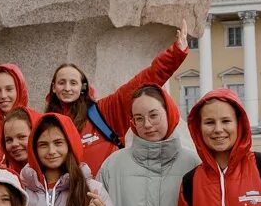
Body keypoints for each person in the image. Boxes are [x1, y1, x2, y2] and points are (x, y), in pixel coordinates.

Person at [43, 27, 189, 173]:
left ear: (83, 87)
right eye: (62, 83)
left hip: (105, 192)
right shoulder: (44, 122)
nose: (67, 88)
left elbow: (142, 81)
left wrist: (175, 55)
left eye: (73, 83)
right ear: (54, 87)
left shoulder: (102, 112)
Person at [0, 106, 34, 173]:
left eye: (21, 137)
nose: (14, 144)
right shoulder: (4, 175)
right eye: (9, 140)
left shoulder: (53, 174)